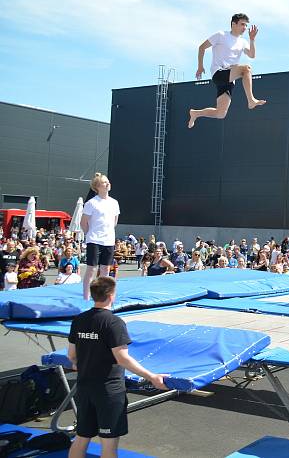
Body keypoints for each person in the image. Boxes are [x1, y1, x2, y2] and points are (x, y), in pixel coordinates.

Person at [66, 276, 168, 458]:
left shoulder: (79, 320)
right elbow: (122, 359)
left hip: (84, 388)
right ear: (112, 296)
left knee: (82, 438)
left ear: (92, 294)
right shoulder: (113, 323)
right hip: (108, 391)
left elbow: (71, 356)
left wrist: (79, 363)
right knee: (108, 445)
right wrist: (151, 376)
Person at [188, 13, 266, 128]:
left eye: (246, 25)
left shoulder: (243, 42)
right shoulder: (221, 35)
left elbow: (252, 55)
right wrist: (200, 66)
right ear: (234, 24)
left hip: (229, 79)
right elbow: (202, 47)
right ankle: (251, 100)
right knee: (246, 69)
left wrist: (252, 40)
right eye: (242, 24)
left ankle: (195, 113)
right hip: (219, 73)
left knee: (220, 113)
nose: (245, 28)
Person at [80, 173, 120, 300]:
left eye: (108, 181)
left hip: (108, 240)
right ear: (97, 186)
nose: (107, 183)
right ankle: (86, 297)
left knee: (105, 270)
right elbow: (83, 223)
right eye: (104, 182)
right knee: (91, 269)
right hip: (94, 239)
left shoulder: (114, 203)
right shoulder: (91, 203)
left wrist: (107, 234)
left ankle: (103, 297)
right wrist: (90, 234)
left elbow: (114, 222)